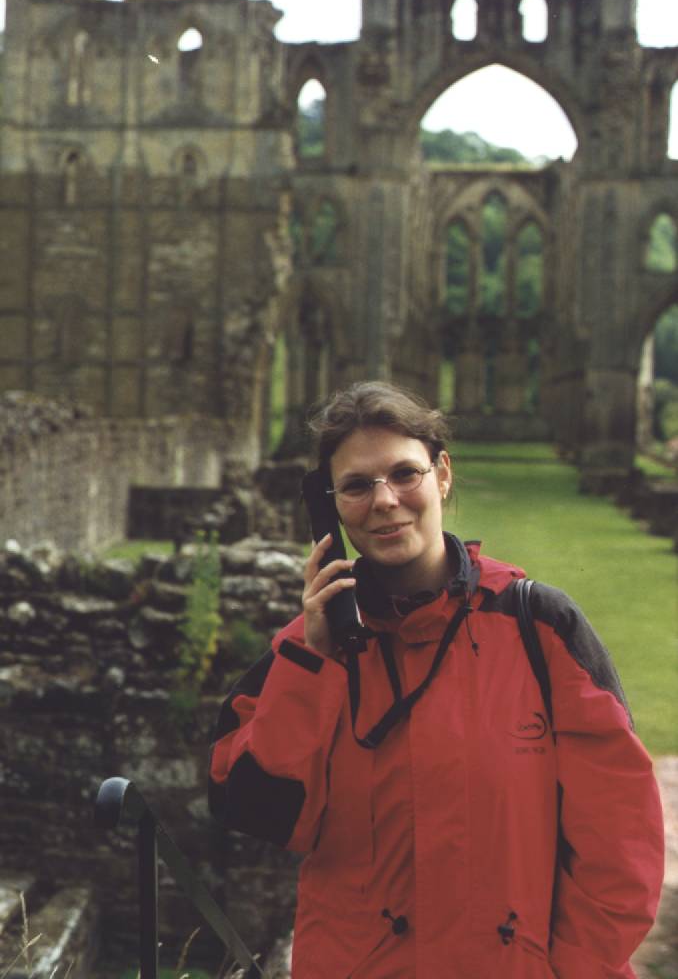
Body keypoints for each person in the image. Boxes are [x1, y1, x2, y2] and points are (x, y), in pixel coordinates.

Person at [208, 380, 664, 979]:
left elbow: (620, 839)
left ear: (442, 475)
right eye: (355, 486)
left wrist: (570, 969)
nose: (385, 500)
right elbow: (258, 813)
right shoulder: (306, 655)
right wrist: (313, 663)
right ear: (328, 506)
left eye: (405, 473)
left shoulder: (540, 627)